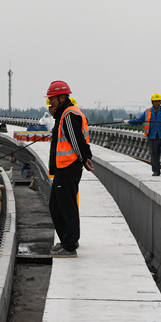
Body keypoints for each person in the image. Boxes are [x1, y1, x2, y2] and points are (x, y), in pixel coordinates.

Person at [45, 80, 94, 258]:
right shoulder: (63, 114)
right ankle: (68, 239)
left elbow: (76, 140)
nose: (50, 102)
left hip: (68, 167)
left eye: (52, 99)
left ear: (62, 97)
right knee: (57, 205)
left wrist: (85, 158)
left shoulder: (68, 115)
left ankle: (70, 245)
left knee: (66, 206)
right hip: (63, 167)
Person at [124, 93, 161, 176]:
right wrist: (129, 122)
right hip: (152, 136)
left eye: (159, 101)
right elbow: (139, 120)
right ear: (152, 102)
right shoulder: (147, 112)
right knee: (154, 154)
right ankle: (156, 171)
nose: (158, 103)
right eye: (156, 101)